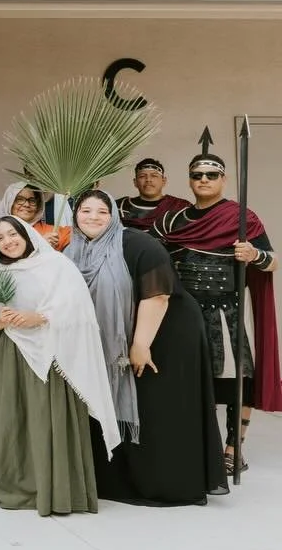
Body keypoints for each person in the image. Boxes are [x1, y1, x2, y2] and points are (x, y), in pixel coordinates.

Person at [67, 191, 227, 505]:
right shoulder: (74, 250)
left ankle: (169, 484)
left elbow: (158, 296)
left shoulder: (136, 243)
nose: (93, 217)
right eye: (85, 210)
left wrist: (140, 344)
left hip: (166, 331)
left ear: (114, 214)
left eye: (103, 210)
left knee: (157, 407)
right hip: (122, 337)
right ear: (74, 216)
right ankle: (119, 480)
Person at [0, 216, 122, 515]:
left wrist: (40, 317)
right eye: (0, 238)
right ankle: (18, 483)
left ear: (27, 234)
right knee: (11, 418)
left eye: (13, 233)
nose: (7, 241)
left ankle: (56, 489)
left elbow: (78, 308)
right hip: (11, 355)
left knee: (46, 418)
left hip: (53, 356)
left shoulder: (57, 265)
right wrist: (1, 321)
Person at [152, 152, 281, 474]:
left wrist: (254, 254)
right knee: (191, 381)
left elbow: (273, 260)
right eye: (198, 175)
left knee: (239, 380)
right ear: (190, 180)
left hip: (227, 312)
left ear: (223, 179)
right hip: (182, 313)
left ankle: (233, 449)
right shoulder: (173, 220)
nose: (204, 180)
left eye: (212, 175)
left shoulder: (241, 218)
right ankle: (198, 445)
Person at [118, 159, 189, 230]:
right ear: (135, 182)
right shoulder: (119, 207)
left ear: (163, 181)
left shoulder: (180, 207)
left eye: (154, 176)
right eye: (142, 176)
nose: (148, 179)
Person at [0, 183, 71, 250]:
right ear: (9, 202)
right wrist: (40, 244)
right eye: (20, 199)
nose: (27, 204)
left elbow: (74, 235)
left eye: (32, 201)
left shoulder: (49, 232)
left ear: (38, 206)